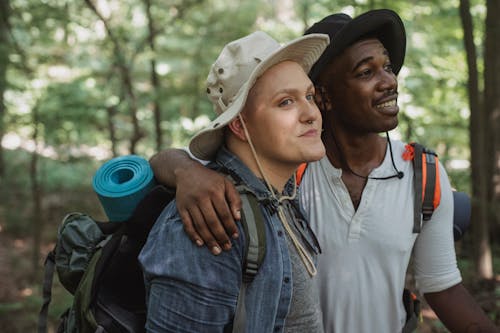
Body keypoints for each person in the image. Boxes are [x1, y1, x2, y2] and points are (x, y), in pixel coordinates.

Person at [150, 9, 499, 333]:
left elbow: (442, 287)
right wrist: (185, 170)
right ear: (327, 97)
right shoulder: (273, 182)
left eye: (307, 96)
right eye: (365, 72)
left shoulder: (421, 174)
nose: (390, 81)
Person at [139, 30, 330, 332]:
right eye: (285, 102)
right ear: (240, 126)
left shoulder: (281, 197)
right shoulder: (214, 218)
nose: (311, 113)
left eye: (309, 96)